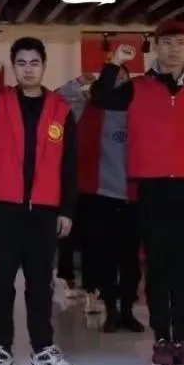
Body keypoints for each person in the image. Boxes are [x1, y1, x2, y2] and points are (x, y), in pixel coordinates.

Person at [90, 19, 184, 365]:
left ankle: (183, 339)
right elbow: (100, 98)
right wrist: (115, 63)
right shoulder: (136, 88)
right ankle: (162, 338)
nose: (173, 49)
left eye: (179, 42)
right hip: (152, 189)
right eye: (166, 42)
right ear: (156, 47)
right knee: (159, 267)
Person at [0, 37, 76, 365]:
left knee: (40, 283)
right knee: (2, 281)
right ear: (13, 67)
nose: (28, 69)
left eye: (34, 63)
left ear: (43, 66)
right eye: (21, 63)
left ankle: (43, 348)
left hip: (45, 210)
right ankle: (0, 346)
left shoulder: (61, 109)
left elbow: (70, 164)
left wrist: (67, 210)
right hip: (6, 208)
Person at [58, 65, 144, 334]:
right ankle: (111, 311)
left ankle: (128, 310)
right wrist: (77, 81)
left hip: (134, 195)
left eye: (124, 77)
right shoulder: (88, 108)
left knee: (131, 261)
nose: (119, 82)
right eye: (114, 77)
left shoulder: (139, 110)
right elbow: (58, 99)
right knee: (103, 258)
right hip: (100, 194)